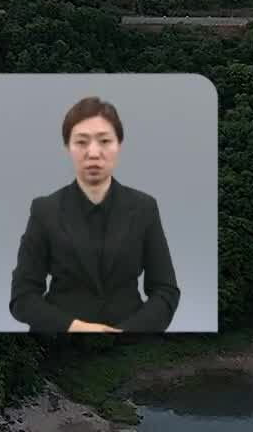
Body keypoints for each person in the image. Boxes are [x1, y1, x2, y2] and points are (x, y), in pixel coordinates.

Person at [9, 96, 179, 333]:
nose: (93, 153)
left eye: (104, 141)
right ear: (67, 146)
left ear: (119, 144)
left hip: (132, 342)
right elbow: (23, 297)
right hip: (61, 344)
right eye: (81, 142)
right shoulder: (44, 210)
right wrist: (75, 328)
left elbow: (166, 291)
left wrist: (127, 333)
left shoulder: (144, 208)